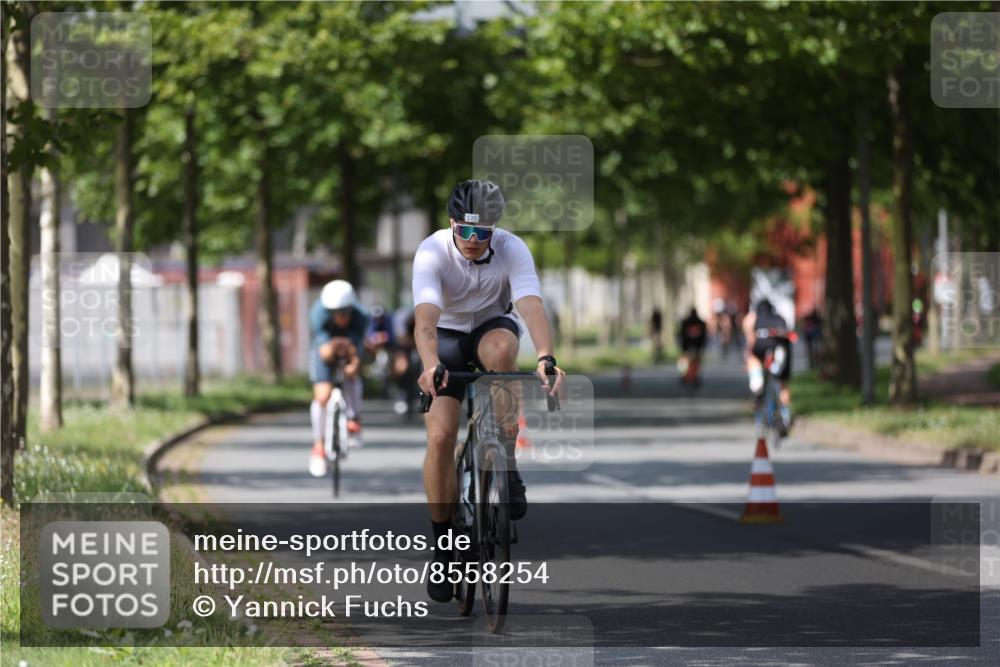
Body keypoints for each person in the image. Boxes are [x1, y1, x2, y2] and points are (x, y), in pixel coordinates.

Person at [411, 179, 565, 603]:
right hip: (444, 336)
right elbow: (424, 318)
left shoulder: (513, 248)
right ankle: (443, 545)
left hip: (490, 327)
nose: (475, 241)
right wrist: (429, 366)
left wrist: (546, 357)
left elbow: (530, 303)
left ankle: (507, 462)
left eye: (484, 233)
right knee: (440, 436)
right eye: (466, 231)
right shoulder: (431, 251)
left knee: (502, 351)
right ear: (452, 225)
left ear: (495, 230)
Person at [308, 280, 370, 477]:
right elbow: (325, 352)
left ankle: (354, 420)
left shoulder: (361, 317)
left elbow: (358, 352)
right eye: (335, 312)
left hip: (351, 345)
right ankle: (318, 447)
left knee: (352, 375)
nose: (341, 317)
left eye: (345, 311)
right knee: (322, 396)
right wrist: (336, 347)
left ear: (352, 308)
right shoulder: (318, 315)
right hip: (325, 349)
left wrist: (353, 364)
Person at [742, 299, 792, 433]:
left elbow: (750, 344)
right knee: (782, 383)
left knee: (755, 364)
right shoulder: (780, 318)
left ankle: (757, 387)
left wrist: (748, 359)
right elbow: (788, 337)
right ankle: (786, 416)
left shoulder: (752, 319)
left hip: (760, 349)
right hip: (780, 350)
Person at [677, 307, 707, 386]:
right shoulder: (700, 323)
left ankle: (688, 376)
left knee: (689, 362)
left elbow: (682, 334)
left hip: (689, 346)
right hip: (694, 346)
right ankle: (691, 376)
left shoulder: (686, 323)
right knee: (693, 362)